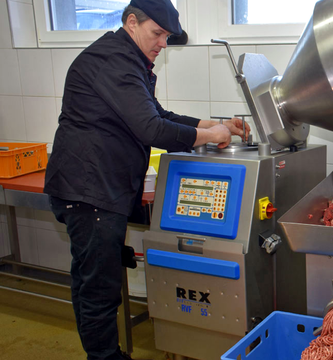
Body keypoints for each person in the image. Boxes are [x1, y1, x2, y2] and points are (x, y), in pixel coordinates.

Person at [44, 1, 249, 359]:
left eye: (167, 36)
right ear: (132, 22)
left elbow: (158, 114)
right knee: (99, 289)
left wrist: (213, 126)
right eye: (158, 33)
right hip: (91, 192)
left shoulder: (128, 60)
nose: (163, 44)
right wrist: (211, 134)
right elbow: (152, 128)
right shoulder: (115, 62)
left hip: (95, 189)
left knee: (91, 281)